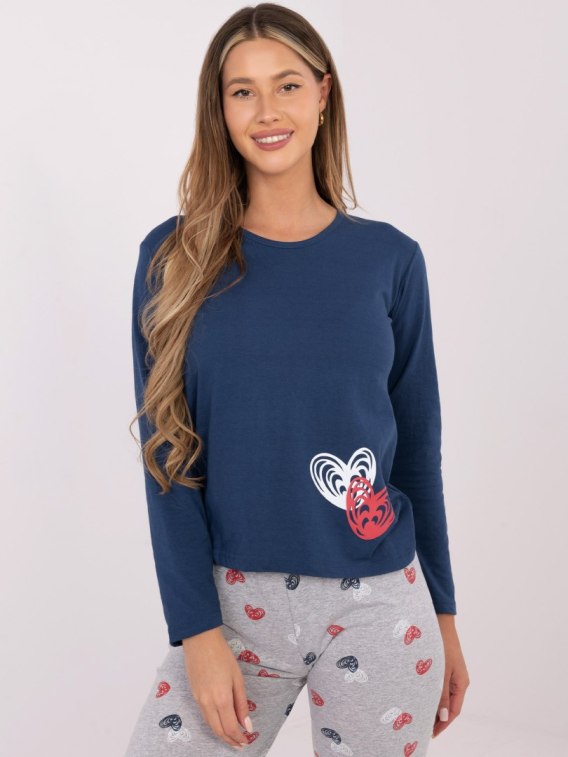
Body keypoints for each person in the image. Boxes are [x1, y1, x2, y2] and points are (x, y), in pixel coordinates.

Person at [125, 3, 469, 755]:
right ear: (219, 110)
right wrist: (196, 631)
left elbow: (417, 455)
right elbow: (166, 459)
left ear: (323, 93)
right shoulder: (173, 260)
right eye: (241, 91)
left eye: (286, 85)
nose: (267, 110)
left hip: (383, 606)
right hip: (233, 611)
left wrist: (443, 616)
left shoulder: (390, 260)